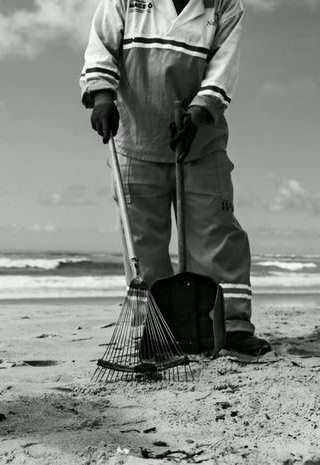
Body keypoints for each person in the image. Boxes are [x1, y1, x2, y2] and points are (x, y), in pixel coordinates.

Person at [80, 0, 271, 356]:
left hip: (199, 141)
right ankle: (160, 330)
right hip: (135, 139)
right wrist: (103, 95)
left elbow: (222, 68)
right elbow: (101, 45)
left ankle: (229, 325)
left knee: (215, 233)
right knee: (143, 243)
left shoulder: (226, 6)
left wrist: (199, 111)